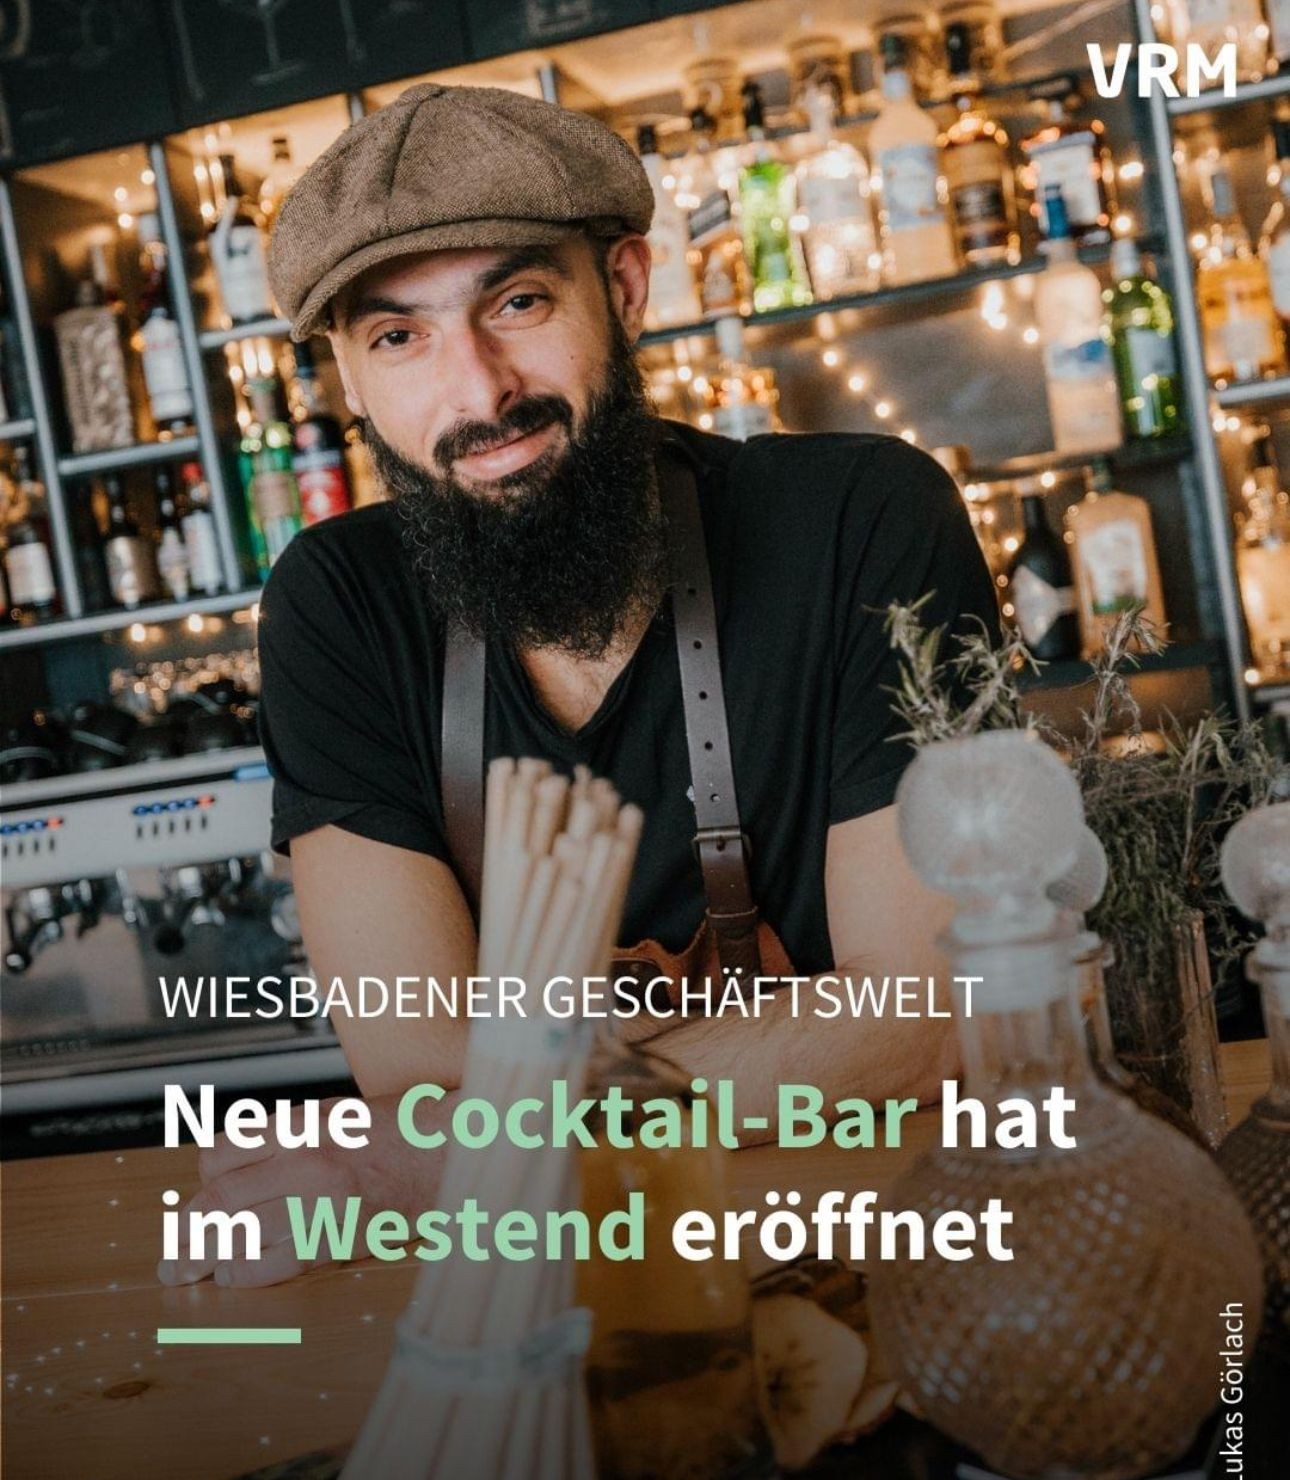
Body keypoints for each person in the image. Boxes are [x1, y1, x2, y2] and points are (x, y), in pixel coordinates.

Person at [160, 84, 997, 1287]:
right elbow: (413, 1075)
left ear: (626, 288)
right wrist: (788, 1050)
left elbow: (931, 1028)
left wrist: (476, 1142)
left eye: (519, 301)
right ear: (346, 377)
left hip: (881, 1240)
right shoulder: (335, 605)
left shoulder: (861, 518)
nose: (482, 390)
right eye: (399, 336)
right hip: (554, 1276)